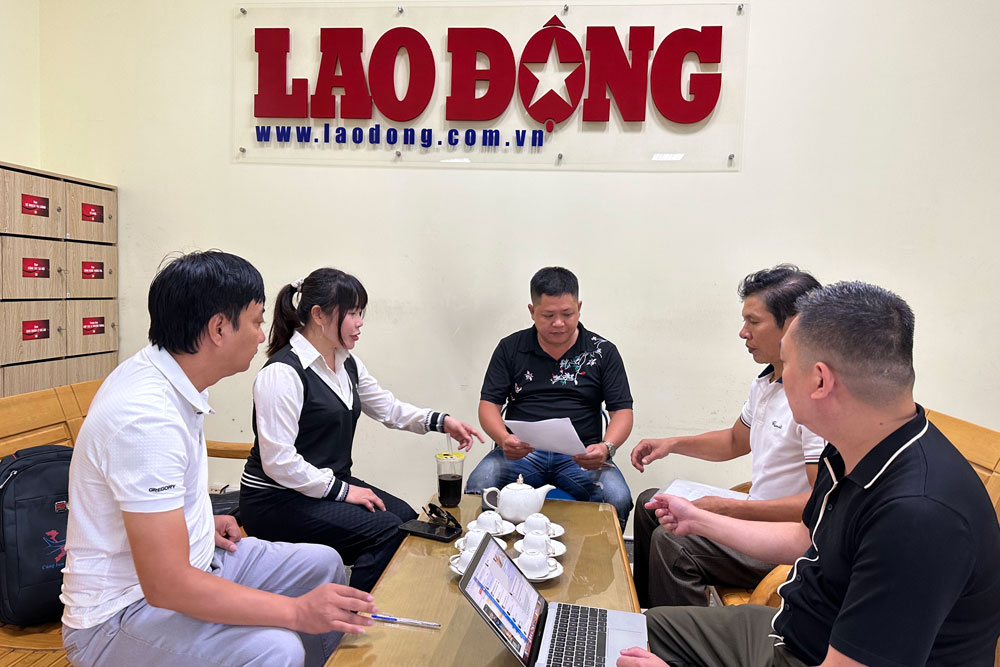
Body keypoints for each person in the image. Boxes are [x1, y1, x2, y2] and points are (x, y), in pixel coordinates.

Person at [619, 282, 1000, 667]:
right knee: (622, 633)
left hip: (815, 657)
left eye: (787, 362)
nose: (779, 378)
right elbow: (806, 537)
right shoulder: (854, 444)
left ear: (819, 380)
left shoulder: (918, 517)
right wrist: (700, 520)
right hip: (792, 632)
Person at [60, 251, 377, 667]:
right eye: (257, 321)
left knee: (322, 564)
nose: (263, 335)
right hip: (121, 613)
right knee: (275, 648)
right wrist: (296, 612)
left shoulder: (178, 378)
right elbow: (167, 585)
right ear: (219, 328)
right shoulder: (144, 417)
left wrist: (198, 516)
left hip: (197, 560)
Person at [239, 268, 483, 592]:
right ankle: (356, 621)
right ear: (318, 315)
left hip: (323, 486)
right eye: (352, 312)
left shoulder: (346, 363)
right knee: (387, 532)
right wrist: (344, 492)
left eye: (360, 312)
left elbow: (388, 409)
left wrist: (442, 421)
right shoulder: (282, 374)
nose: (360, 322)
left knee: (407, 518)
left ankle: (374, 603)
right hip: (276, 499)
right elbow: (279, 462)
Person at [630, 265, 825, 608]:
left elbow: (820, 503)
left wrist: (726, 508)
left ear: (793, 324)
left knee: (672, 543)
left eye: (754, 322)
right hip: (754, 512)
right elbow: (735, 442)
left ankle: (680, 641)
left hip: (783, 537)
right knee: (650, 503)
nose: (743, 333)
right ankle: (646, 615)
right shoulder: (767, 383)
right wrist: (671, 445)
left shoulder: (813, 398)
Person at [465, 266, 634, 530]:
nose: (559, 323)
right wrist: (503, 438)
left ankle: (597, 565)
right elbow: (489, 405)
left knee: (618, 498)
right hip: (521, 452)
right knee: (477, 488)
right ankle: (492, 561)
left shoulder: (603, 352)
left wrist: (606, 448)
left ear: (579, 308)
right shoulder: (511, 348)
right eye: (548, 315)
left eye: (567, 314)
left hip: (581, 455)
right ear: (532, 311)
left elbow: (621, 411)